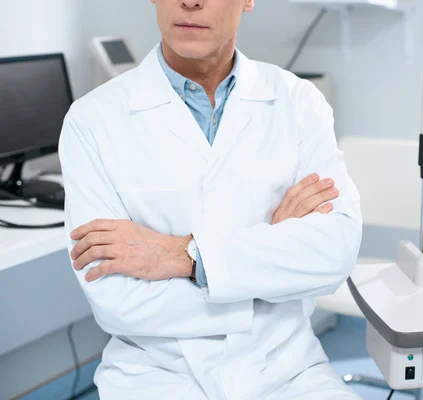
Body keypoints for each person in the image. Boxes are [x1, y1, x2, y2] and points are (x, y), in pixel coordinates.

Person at [58, 0, 362, 398]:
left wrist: (181, 255)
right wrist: (270, 268)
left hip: (288, 370)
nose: (191, 1)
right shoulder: (91, 121)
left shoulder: (299, 102)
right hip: (156, 376)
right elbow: (116, 299)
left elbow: (333, 252)